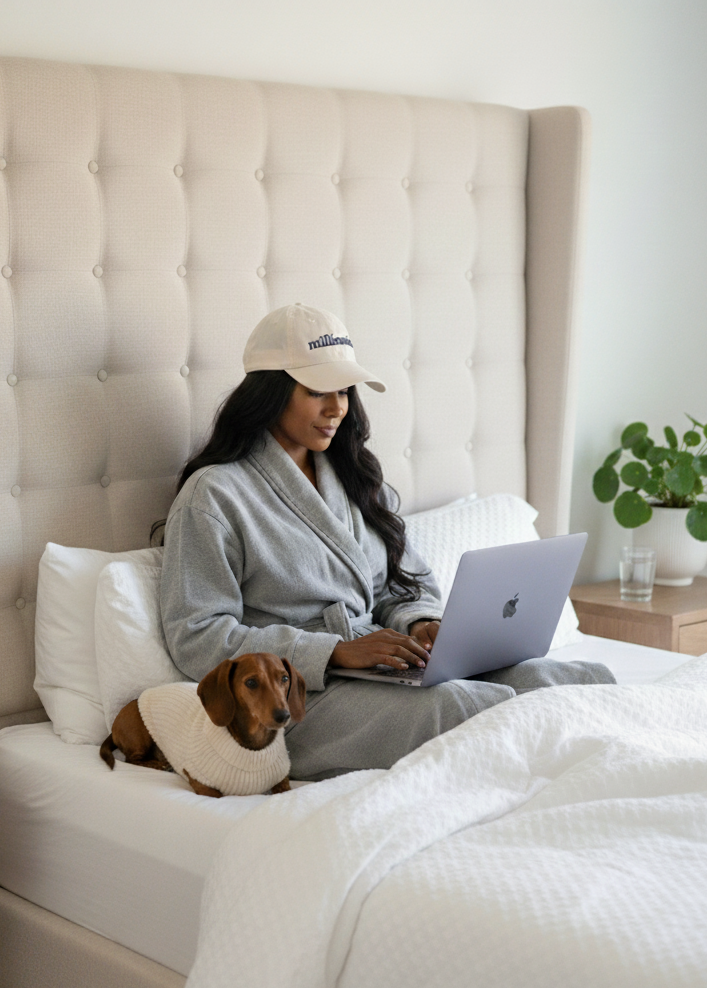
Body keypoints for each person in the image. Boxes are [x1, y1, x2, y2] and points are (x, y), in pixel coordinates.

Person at [160, 303, 613, 781]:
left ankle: (597, 769)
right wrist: (332, 651)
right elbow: (198, 637)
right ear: (269, 394)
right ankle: (566, 783)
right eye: (317, 391)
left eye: (344, 391)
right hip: (300, 698)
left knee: (558, 678)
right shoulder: (214, 496)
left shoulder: (355, 478)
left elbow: (404, 585)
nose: (338, 408)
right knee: (456, 705)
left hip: (381, 668)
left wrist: (419, 625)